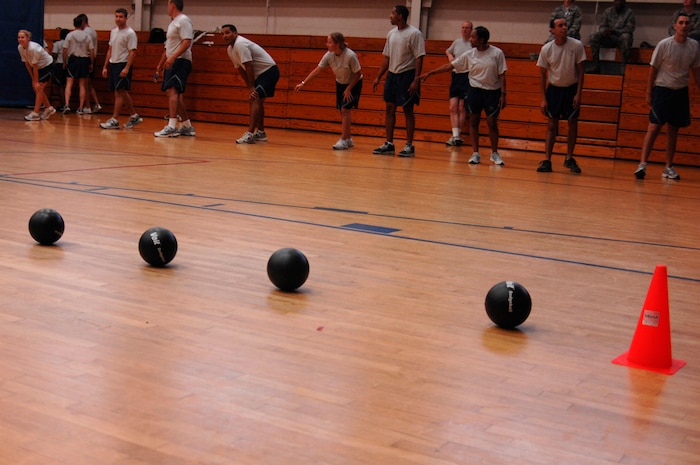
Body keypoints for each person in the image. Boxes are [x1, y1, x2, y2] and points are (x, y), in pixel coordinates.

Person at [422, 26, 507, 165]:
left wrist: (503, 94)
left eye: (473, 37)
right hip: (474, 90)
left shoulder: (497, 53)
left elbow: (502, 74)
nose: (470, 40)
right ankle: (475, 153)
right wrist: (431, 73)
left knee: (492, 122)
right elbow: (451, 66)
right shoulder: (469, 54)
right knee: (474, 121)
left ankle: (495, 153)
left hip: (492, 91)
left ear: (482, 39)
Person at [634, 13, 700, 181]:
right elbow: (653, 68)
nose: (684, 25)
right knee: (654, 128)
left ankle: (668, 167)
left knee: (673, 131)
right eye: (681, 23)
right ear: (675, 26)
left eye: (687, 23)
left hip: (681, 92)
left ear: (690, 26)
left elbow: (696, 71)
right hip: (662, 90)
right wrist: (649, 91)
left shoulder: (694, 46)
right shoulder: (664, 44)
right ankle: (642, 164)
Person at [372, 5, 426, 157]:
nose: (390, 16)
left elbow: (419, 57)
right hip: (392, 75)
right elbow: (387, 57)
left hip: (407, 75)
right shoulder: (391, 34)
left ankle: (409, 145)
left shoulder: (414, 33)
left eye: (393, 13)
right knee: (389, 108)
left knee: (408, 109)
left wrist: (416, 79)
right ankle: (389, 143)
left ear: (400, 16)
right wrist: (378, 76)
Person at [295, 32, 363, 150]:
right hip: (340, 83)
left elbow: (358, 74)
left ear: (337, 44)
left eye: (329, 42)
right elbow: (318, 70)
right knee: (342, 111)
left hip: (353, 84)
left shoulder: (350, 56)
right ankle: (348, 139)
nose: (327, 44)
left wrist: (348, 89)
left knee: (345, 109)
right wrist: (303, 83)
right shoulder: (329, 55)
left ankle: (343, 139)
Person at [536, 17, 586, 173]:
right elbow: (542, 74)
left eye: (565, 25)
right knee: (552, 125)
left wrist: (578, 93)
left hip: (571, 88)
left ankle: (569, 158)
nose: (564, 28)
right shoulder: (546, 49)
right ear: (552, 30)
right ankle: (547, 160)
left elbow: (581, 71)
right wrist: (544, 99)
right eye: (560, 26)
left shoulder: (576, 45)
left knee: (572, 124)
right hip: (554, 90)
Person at [221, 24, 280, 144]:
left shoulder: (240, 44)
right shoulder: (230, 49)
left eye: (227, 33)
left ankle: (250, 133)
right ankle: (261, 133)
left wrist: (252, 87)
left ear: (235, 33)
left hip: (269, 72)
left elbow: (249, 66)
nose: (224, 36)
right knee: (257, 100)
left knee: (255, 98)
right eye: (222, 34)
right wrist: (249, 86)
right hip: (260, 75)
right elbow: (240, 69)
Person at [154, 0, 195, 138]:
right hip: (173, 60)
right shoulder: (173, 22)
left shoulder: (183, 20)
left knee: (172, 91)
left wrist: (173, 57)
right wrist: (161, 63)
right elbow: (168, 46)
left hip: (180, 61)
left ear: (172, 4)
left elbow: (187, 41)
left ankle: (171, 126)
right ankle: (187, 126)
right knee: (174, 94)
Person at [99, 8, 142, 130]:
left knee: (119, 92)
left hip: (122, 64)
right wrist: (105, 66)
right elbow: (110, 49)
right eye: (116, 16)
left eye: (121, 16)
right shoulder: (113, 32)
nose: (118, 19)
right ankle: (134, 116)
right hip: (113, 64)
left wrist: (127, 68)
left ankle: (115, 119)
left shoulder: (130, 33)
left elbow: (132, 52)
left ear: (126, 18)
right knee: (121, 92)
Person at [444, 21, 472, 146]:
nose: (464, 30)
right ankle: (455, 135)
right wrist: (450, 56)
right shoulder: (457, 42)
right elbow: (448, 51)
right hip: (456, 76)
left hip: (467, 76)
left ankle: (458, 135)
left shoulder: (473, 44)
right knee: (453, 106)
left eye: (467, 28)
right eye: (463, 28)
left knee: (461, 107)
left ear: (471, 30)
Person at [17, 30, 56, 121]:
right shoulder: (20, 47)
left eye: (22, 37)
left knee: (39, 88)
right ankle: (49, 108)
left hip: (47, 66)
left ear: (28, 38)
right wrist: (33, 80)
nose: (20, 39)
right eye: (19, 37)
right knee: (37, 88)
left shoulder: (33, 48)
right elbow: (27, 63)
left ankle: (35, 113)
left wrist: (35, 81)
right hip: (38, 68)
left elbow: (35, 66)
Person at [589, 0, 635, 69]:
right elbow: (602, 26)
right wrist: (604, 31)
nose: (618, 2)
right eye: (616, 0)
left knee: (626, 37)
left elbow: (629, 29)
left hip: (620, 39)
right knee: (594, 36)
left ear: (624, 2)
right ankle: (596, 64)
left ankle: (624, 66)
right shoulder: (608, 11)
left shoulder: (629, 12)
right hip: (609, 38)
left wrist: (615, 31)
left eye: (620, 1)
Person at [63, 15, 94, 115]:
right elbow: (92, 50)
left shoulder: (70, 35)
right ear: (82, 23)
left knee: (69, 84)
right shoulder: (87, 36)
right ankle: (80, 107)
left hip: (73, 60)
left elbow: (65, 49)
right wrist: (91, 62)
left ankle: (67, 105)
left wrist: (64, 61)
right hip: (84, 59)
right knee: (82, 85)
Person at [78, 14, 102, 113]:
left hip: (87, 58)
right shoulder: (93, 31)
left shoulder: (85, 32)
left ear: (83, 22)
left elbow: (88, 47)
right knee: (88, 84)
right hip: (92, 58)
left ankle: (87, 106)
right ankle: (96, 104)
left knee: (85, 84)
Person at [51, 28, 69, 112]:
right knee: (68, 85)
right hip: (69, 65)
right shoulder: (70, 44)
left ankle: (63, 104)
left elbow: (54, 54)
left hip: (60, 64)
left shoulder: (57, 43)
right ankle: (66, 104)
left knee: (61, 86)